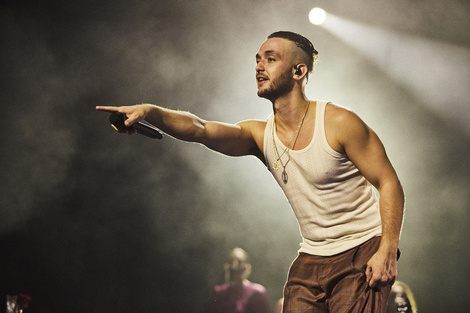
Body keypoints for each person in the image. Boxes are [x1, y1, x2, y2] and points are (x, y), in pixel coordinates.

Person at [96, 30, 405, 313]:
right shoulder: (260, 135)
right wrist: (149, 112)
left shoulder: (339, 122)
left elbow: (389, 181)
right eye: (258, 59)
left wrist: (387, 249)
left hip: (361, 249)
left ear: (299, 71)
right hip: (311, 256)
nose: (259, 66)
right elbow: (200, 129)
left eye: (271, 59)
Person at [209, 247, 269, 313]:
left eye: (239, 262)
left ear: (246, 267)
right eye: (232, 261)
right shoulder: (219, 292)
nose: (234, 266)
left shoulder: (257, 292)